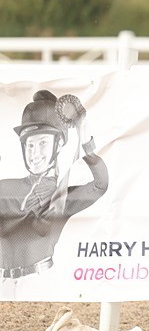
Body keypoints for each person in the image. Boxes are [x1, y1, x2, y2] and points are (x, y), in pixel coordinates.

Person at [0, 91, 108, 278]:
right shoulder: (5, 188)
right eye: (30, 145)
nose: (34, 154)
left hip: (42, 281)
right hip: (5, 284)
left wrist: (85, 138)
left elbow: (100, 184)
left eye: (42, 143)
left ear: (58, 144)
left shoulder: (62, 196)